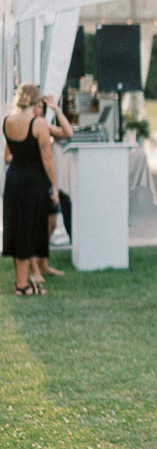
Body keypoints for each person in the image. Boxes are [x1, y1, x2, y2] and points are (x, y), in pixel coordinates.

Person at [2, 83, 59, 297]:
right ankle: (22, 285)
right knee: (27, 231)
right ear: (35, 102)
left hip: (13, 180)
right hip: (33, 182)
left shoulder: (7, 121)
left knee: (17, 230)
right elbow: (47, 158)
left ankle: (21, 281)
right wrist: (53, 185)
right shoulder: (38, 124)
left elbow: (8, 155)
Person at [30, 94, 73, 284]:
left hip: (47, 180)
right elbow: (8, 156)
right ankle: (33, 268)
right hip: (33, 180)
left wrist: (56, 109)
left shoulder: (45, 126)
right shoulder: (26, 126)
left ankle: (43, 263)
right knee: (34, 226)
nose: (39, 110)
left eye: (42, 107)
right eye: (36, 106)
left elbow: (68, 132)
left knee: (52, 223)